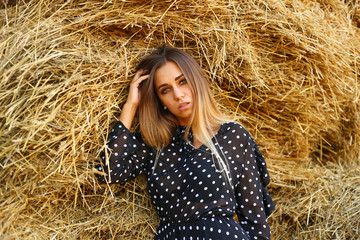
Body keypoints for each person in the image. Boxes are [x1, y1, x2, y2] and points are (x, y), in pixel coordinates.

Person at [95, 46, 275, 240]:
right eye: (165, 90)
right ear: (160, 100)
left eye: (183, 81)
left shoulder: (233, 136)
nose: (178, 95)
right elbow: (107, 171)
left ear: (196, 81)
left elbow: (255, 223)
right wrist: (130, 107)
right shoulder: (156, 144)